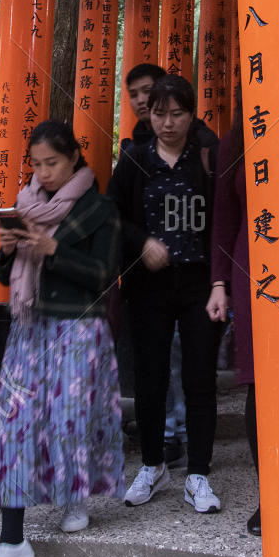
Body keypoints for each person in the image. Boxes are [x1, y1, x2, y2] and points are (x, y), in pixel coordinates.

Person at [0, 120, 123, 557]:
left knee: (69, 418)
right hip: (30, 328)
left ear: (73, 157)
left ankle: (73, 498)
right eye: (36, 164)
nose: (43, 172)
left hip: (80, 328)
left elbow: (104, 275)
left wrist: (53, 248)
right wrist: (8, 249)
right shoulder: (26, 204)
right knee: (14, 422)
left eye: (51, 162)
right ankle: (11, 539)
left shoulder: (100, 209)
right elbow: (4, 276)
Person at [107, 73, 225, 513]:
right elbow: (111, 215)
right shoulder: (134, 160)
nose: (168, 123)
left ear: (191, 114)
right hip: (148, 286)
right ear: (149, 115)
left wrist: (221, 282)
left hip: (199, 284)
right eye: (160, 114)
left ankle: (198, 474)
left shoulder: (207, 158)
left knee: (199, 377)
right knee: (150, 378)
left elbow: (223, 220)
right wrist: (141, 242)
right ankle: (152, 464)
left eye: (177, 114)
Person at [208, 87, 260, 535]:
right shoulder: (236, 141)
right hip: (253, 271)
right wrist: (219, 282)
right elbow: (224, 218)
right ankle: (272, 492)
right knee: (260, 383)